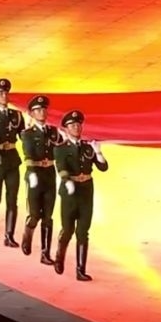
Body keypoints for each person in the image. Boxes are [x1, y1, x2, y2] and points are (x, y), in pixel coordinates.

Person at [53, 110, 109, 281]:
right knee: (68, 229)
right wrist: (66, 181)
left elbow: (103, 168)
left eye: (78, 125)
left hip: (86, 191)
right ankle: (59, 256)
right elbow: (61, 167)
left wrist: (98, 152)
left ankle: (80, 270)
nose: (76, 128)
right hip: (70, 192)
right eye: (72, 125)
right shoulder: (61, 148)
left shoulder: (87, 147)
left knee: (83, 231)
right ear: (66, 128)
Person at [20, 95, 64, 265]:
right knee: (34, 215)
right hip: (35, 175)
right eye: (37, 110)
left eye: (44, 109)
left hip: (49, 175)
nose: (42, 112)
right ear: (32, 114)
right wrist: (32, 173)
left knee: (48, 216)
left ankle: (45, 253)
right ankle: (28, 233)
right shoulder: (27, 134)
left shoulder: (54, 132)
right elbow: (28, 154)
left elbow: (62, 150)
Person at [0, 78, 26, 246]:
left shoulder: (17, 115)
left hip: (12, 160)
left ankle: (9, 235)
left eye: (5, 93)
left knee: (12, 199)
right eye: (0, 93)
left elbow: (23, 136)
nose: (4, 95)